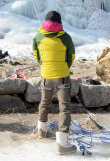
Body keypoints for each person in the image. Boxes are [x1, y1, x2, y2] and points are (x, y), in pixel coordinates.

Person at [33, 11, 76, 155]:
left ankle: (41, 131)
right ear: (59, 22)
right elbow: (71, 56)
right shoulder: (65, 37)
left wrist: (45, 67)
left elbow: (36, 56)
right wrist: (65, 68)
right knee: (64, 108)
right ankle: (62, 144)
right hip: (62, 76)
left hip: (46, 75)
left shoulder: (38, 36)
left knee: (44, 102)